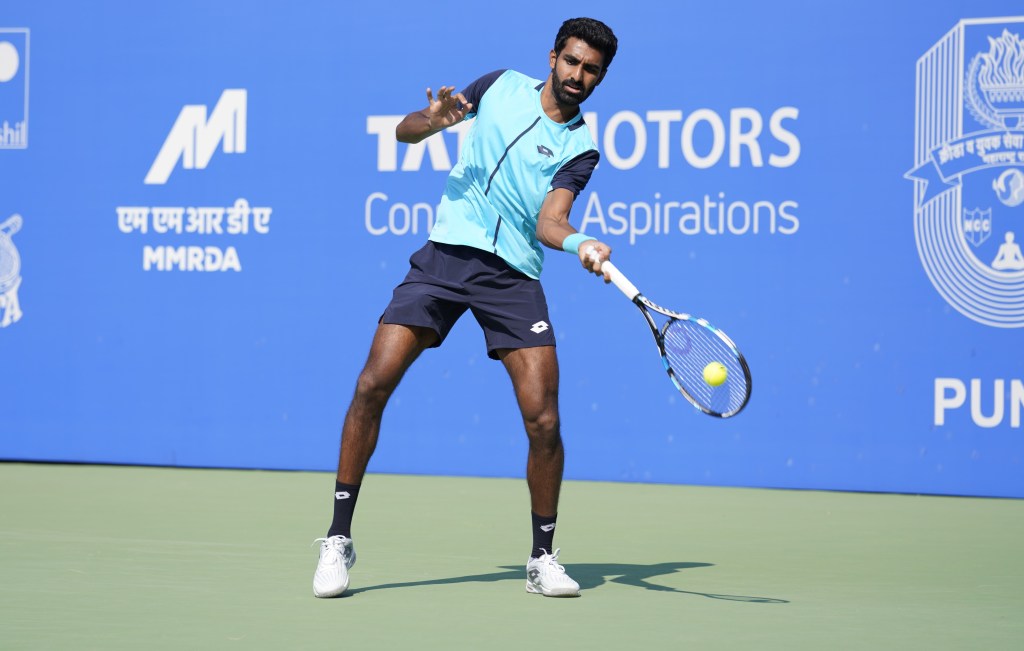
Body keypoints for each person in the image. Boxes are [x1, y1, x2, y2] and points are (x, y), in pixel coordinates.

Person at [313, 17, 618, 599]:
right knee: (372, 384)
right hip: (445, 259)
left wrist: (582, 243)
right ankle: (337, 539)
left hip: (512, 277)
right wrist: (433, 121)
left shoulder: (581, 148)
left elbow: (549, 222)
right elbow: (404, 132)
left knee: (544, 420)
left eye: (591, 70)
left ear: (600, 78)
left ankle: (542, 558)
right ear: (552, 57)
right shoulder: (499, 85)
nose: (578, 75)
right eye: (572, 61)